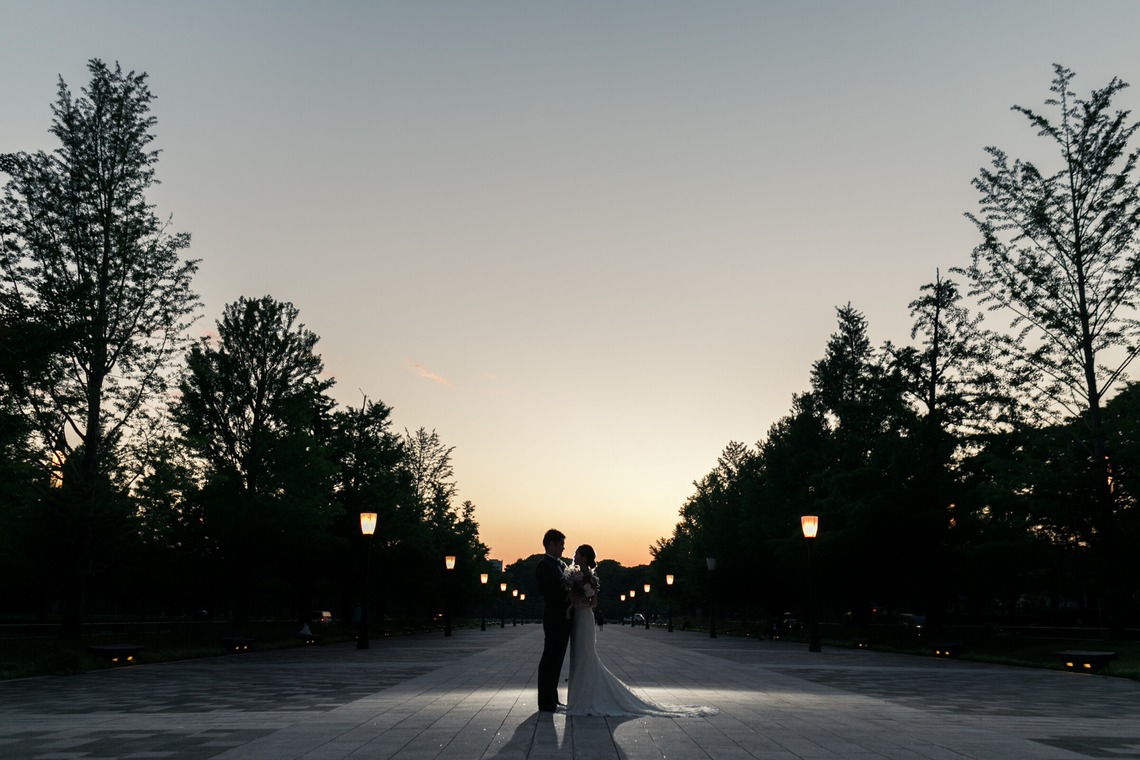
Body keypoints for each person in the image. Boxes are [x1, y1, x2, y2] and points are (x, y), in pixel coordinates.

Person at [565, 544, 717, 718]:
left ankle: (584, 699)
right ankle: (578, 697)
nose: (574, 556)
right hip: (577, 617)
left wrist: (581, 600)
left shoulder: (588, 577)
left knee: (586, 655)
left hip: (584, 617)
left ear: (584, 557)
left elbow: (594, 603)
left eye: (577, 553)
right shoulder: (576, 576)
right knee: (578, 656)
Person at [535, 528, 571, 712]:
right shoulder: (543, 566)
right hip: (554, 618)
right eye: (561, 545)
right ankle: (544, 701)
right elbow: (547, 592)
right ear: (551, 544)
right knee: (549, 658)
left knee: (557, 660)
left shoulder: (561, 565)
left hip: (564, 620)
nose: (563, 548)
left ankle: (552, 698)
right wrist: (568, 592)